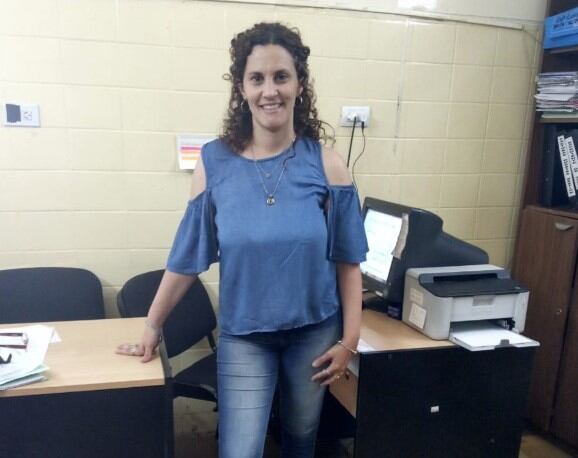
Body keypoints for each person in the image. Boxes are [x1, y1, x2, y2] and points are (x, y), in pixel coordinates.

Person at [117, 22, 368, 458]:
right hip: (245, 337)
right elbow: (186, 257)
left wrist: (349, 341)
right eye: (257, 78)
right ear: (242, 88)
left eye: (281, 76)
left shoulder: (328, 165)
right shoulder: (214, 162)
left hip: (314, 333)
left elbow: (348, 262)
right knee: (240, 450)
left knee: (301, 439)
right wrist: (152, 326)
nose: (270, 90)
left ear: (300, 85)